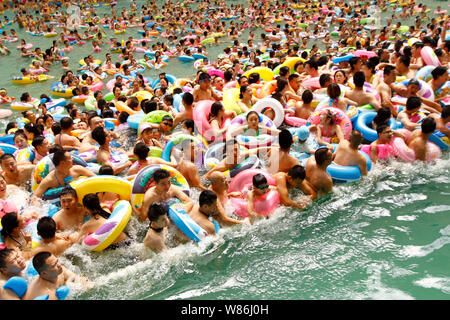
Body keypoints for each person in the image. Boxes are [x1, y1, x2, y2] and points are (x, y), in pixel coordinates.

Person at [24, 251, 91, 300]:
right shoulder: (47, 294)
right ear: (44, 273)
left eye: (57, 261)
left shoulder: (58, 270)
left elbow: (78, 277)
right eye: (54, 265)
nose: (59, 265)